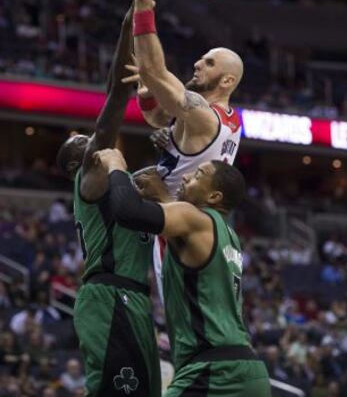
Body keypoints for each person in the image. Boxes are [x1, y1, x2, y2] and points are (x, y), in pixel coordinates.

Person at [94, 147, 271, 397]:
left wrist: (115, 165)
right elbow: (181, 232)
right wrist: (163, 196)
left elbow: (127, 211)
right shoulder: (228, 235)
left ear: (214, 197)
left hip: (215, 372)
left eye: (198, 174)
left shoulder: (195, 219)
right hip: (248, 370)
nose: (187, 177)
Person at [123, 0, 244, 299]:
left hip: (177, 223)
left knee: (184, 319)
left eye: (208, 63)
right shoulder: (227, 119)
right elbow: (157, 116)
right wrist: (149, 91)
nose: (197, 64)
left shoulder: (203, 115)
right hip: (199, 226)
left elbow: (153, 68)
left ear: (227, 81)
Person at [56, 6, 161, 397]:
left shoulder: (121, 186)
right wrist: (130, 22)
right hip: (109, 296)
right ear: (75, 165)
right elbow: (116, 94)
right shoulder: (90, 175)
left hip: (130, 298)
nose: (94, 142)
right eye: (84, 145)